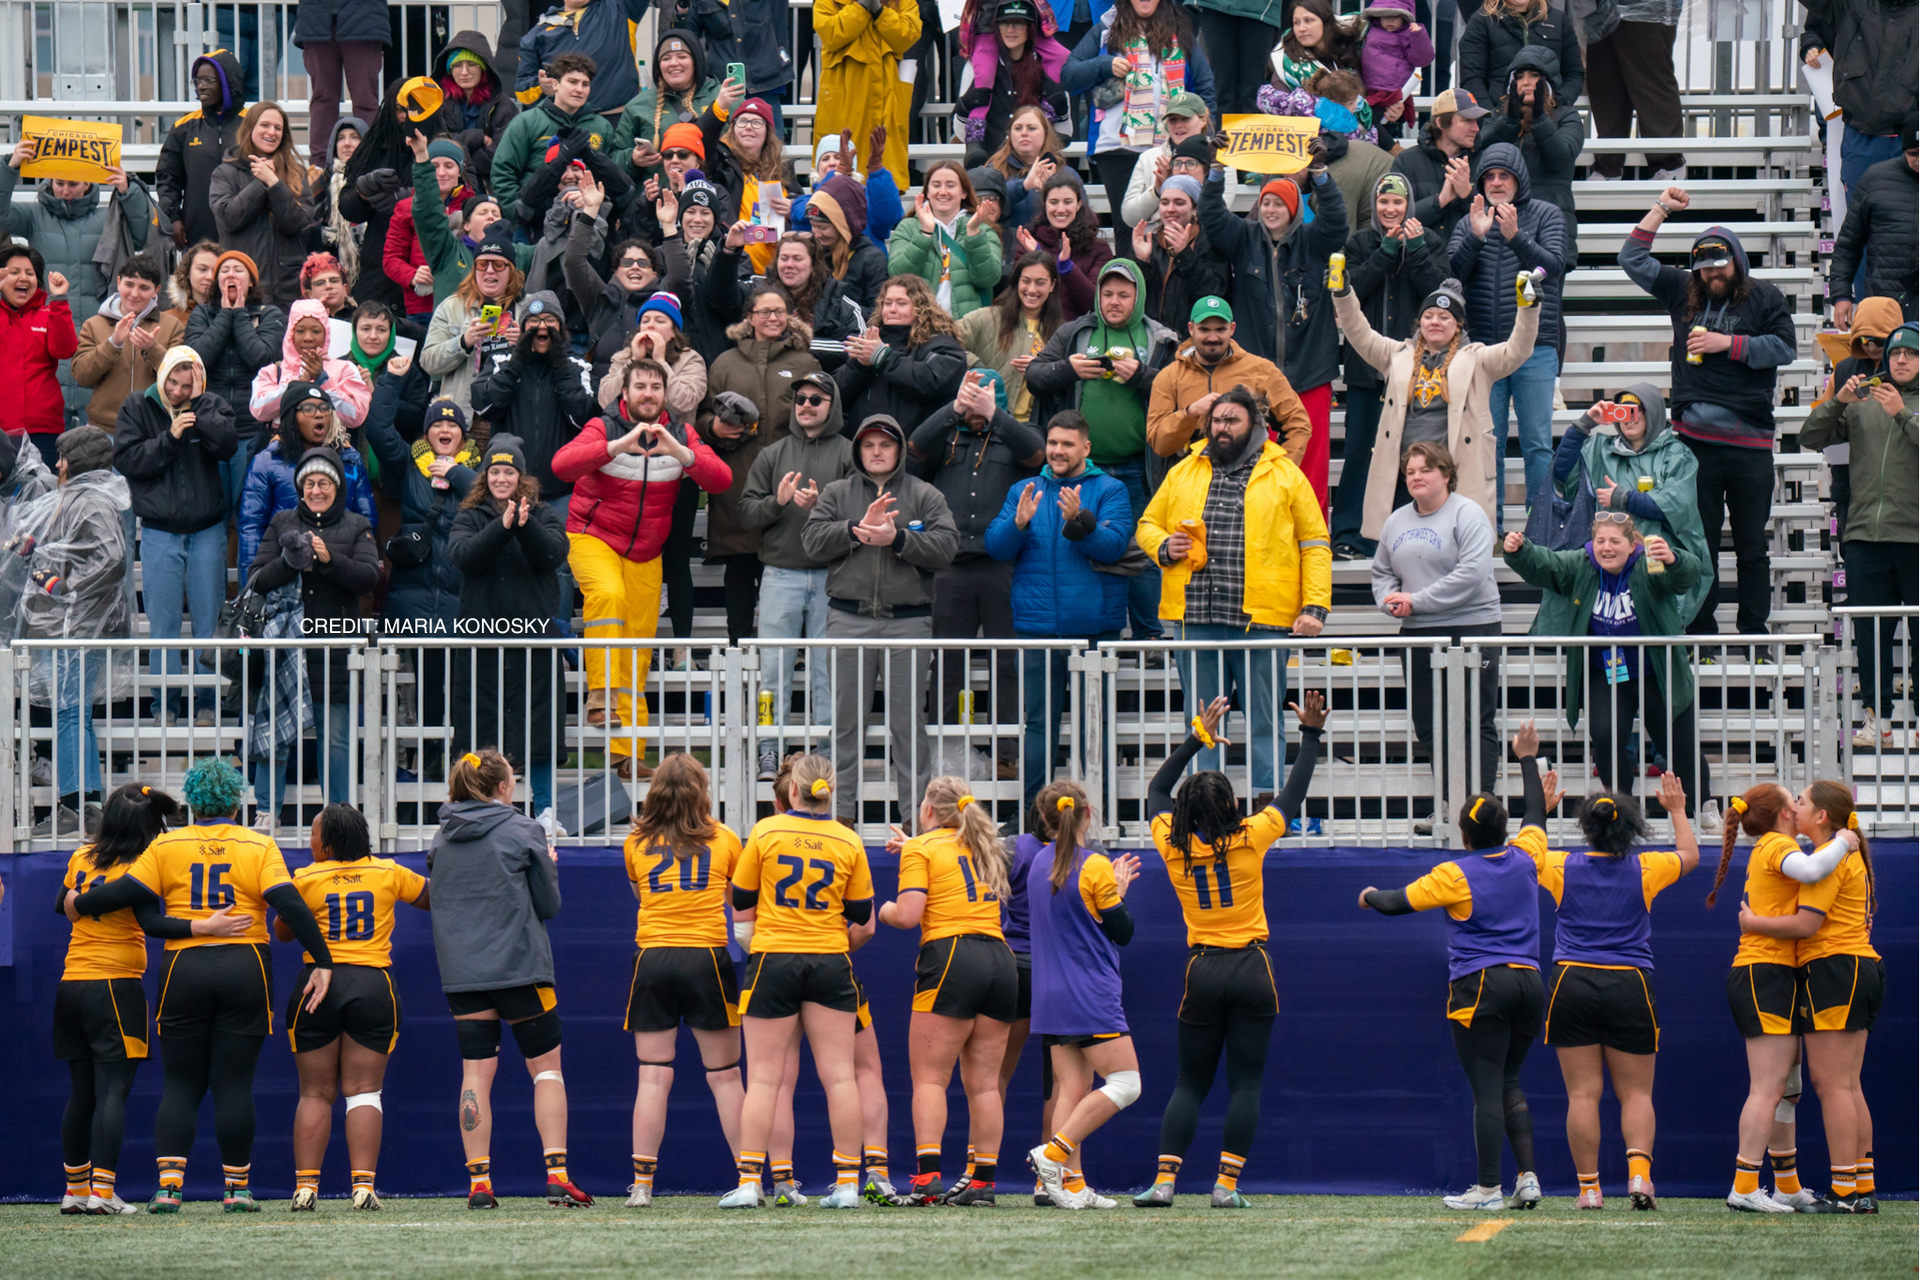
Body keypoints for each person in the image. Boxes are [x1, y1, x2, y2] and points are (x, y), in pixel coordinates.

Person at [68, 756, 332, 1213]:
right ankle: (237, 1190)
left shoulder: (167, 846)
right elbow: (287, 901)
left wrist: (79, 900)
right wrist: (322, 960)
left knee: (181, 1083)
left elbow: (125, 894)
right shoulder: (258, 844)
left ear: (192, 802)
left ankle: (169, 1188)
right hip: (244, 963)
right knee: (233, 1084)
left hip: (183, 968)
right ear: (235, 801)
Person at [1134, 690, 1325, 1208]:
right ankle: (1226, 1186)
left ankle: (1165, 1183)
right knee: (1246, 1084)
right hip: (1252, 965)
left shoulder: (1170, 846)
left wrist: (1197, 737)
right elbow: (1293, 792)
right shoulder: (1252, 837)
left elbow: (1155, 790)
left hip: (1204, 967)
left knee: (1190, 1083)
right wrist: (1309, 733)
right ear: (1233, 806)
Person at [1359, 723, 1551, 1211]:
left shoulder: (1456, 874)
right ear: (1504, 832)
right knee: (1509, 1082)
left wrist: (1367, 895)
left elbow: (1395, 902)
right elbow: (1537, 816)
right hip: (1530, 982)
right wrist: (1527, 759)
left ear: (1464, 835)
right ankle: (1527, 1178)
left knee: (1486, 1086)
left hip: (1482, 984)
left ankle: (1488, 1188)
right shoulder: (1527, 857)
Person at [55, 784, 251, 1214]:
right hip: (115, 983)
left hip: (72, 983)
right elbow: (153, 922)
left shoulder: (80, 857)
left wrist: (76, 901)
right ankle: (102, 1194)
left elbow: (64, 903)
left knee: (81, 1094)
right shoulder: (142, 863)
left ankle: (74, 1190)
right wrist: (204, 928)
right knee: (111, 1095)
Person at [1136, 386, 1330, 802]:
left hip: (1264, 619)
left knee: (1265, 719)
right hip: (1196, 616)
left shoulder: (1286, 473)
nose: (1221, 428)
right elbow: (1147, 524)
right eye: (1216, 420)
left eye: (1232, 421)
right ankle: (1208, 806)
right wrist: (1165, 547)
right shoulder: (1184, 470)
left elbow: (1314, 542)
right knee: (1203, 722)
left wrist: (1315, 607)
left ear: (1256, 426)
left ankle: (1267, 806)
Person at [1619, 190, 1798, 637]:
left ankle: (1754, 633)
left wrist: (1729, 345)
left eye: (1720, 263)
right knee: (1699, 545)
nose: (1712, 272)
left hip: (1750, 443)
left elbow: (1785, 348)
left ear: (1737, 259)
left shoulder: (1765, 297)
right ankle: (1702, 630)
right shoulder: (1684, 289)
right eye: (1705, 265)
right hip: (1693, 444)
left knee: (1752, 546)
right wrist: (1660, 209)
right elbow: (1631, 258)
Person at [554, 358, 731, 776]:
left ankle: (627, 756)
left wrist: (682, 453)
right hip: (591, 535)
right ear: (625, 394)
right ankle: (599, 698)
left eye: (656, 386)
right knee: (608, 596)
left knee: (636, 653)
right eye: (641, 386)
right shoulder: (604, 425)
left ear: (665, 394)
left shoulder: (682, 432)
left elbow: (721, 480)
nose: (648, 393)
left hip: (645, 552)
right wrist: (618, 445)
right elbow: (561, 465)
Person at [429, 747, 590, 1208]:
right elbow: (550, 906)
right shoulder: (524, 830)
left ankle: (480, 1183)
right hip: (521, 968)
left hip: (464, 973)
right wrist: (549, 865)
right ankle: (556, 1175)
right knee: (546, 1072)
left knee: (475, 1075)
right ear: (503, 787)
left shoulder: (442, 838)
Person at [1533, 777, 1699, 1210]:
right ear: (1629, 827)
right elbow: (1691, 855)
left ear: (1587, 829)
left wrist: (1543, 811)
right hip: (1629, 983)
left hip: (1572, 983)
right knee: (1637, 1094)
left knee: (1582, 1094)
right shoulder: (1646, 868)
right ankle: (1640, 1180)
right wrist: (1678, 809)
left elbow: (1524, 854)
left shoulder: (1560, 865)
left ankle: (1589, 1190)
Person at [721, 754, 877, 1209]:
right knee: (840, 1077)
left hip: (774, 957)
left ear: (792, 791)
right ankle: (848, 1182)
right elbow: (863, 915)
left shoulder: (767, 832)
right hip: (829, 959)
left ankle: (751, 1182)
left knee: (765, 1078)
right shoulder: (847, 840)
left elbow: (743, 902)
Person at [1734, 781, 1883, 1213]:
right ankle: (1861, 1185)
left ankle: (1844, 1190)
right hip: (1854, 967)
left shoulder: (1827, 856)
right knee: (1846, 1085)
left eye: (1802, 801)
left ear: (1820, 816)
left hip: (1836, 967)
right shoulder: (1832, 851)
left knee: (1831, 1084)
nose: (1795, 806)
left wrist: (1753, 922)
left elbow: (1804, 926)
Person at [802, 414, 959, 824]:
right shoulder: (837, 493)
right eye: (869, 445)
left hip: (908, 623)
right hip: (848, 619)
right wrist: (855, 529)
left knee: (909, 727)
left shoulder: (925, 494)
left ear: (899, 450)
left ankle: (916, 817)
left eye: (884, 445)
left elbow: (946, 547)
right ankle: (838, 816)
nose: (876, 452)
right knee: (844, 727)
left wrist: (899, 538)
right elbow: (812, 541)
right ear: (858, 449)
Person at [1502, 515, 1713, 818]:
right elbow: (1548, 565)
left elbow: (1685, 576)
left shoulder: (1648, 563)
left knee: (1680, 744)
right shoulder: (1582, 564)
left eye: (1615, 541)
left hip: (1658, 671)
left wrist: (1674, 559)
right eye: (1600, 541)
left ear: (1631, 545)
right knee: (1604, 735)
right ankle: (1622, 810)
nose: (1606, 548)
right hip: (1608, 671)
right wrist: (1520, 550)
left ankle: (1703, 806)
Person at [876, 776, 1020, 1204]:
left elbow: (907, 915)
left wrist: (881, 910)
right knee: (985, 1084)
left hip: (952, 956)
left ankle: (926, 1180)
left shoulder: (922, 848)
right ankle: (983, 1182)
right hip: (1000, 959)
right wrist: (914, 849)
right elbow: (951, 866)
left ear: (927, 811)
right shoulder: (986, 845)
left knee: (930, 1079)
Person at [278, 804, 429, 1211]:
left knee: (314, 1092)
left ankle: (306, 1188)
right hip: (372, 984)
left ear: (327, 844)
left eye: (312, 834)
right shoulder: (389, 872)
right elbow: (434, 898)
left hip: (317, 984)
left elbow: (283, 933)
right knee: (364, 1092)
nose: (309, 842)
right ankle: (363, 1188)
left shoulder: (306, 877)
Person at [1704, 783, 1844, 1213]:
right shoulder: (1776, 844)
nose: (1801, 806)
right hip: (1764, 972)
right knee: (1767, 1088)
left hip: (1776, 973)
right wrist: (1844, 841)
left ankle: (1786, 1184)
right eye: (1796, 801)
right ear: (1784, 812)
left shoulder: (1772, 843)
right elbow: (1811, 871)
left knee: (1787, 1090)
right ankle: (1744, 1185)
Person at [1026, 258, 1180, 641]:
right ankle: (1094, 634)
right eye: (1107, 293)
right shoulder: (1074, 333)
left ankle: (1150, 637)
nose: (1114, 301)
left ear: (1137, 297)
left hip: (1139, 467)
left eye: (1123, 295)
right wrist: (1069, 369)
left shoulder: (1160, 338)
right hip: (1080, 471)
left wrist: (1143, 377)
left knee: (1143, 551)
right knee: (1080, 547)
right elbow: (1034, 377)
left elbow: (1183, 392)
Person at [986, 410, 1134, 810]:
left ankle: (1095, 812)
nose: (1058, 451)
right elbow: (996, 548)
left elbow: (1113, 547)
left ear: (1086, 447)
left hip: (1094, 630)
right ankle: (1035, 813)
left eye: (1067, 444)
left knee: (1094, 728)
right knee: (1038, 726)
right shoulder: (1025, 488)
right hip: (1036, 628)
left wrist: (1080, 520)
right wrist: (1016, 524)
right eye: (1053, 443)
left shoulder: (1110, 489)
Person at [620, 754, 747, 1206]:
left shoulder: (635, 841)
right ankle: (749, 1179)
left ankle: (641, 1185)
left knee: (653, 1075)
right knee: (726, 1076)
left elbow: (640, 894)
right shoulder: (726, 839)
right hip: (706, 956)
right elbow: (741, 902)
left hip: (653, 956)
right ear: (702, 791)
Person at [908, 370, 1045, 779]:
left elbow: (1036, 452)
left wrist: (996, 414)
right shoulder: (947, 434)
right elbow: (914, 446)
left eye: (983, 398)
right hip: (950, 564)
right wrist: (955, 407)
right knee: (949, 662)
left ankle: (1005, 752)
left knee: (1007, 660)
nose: (975, 410)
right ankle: (947, 751)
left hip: (1002, 563)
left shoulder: (1014, 435)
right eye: (971, 399)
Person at [1333, 272, 1540, 542]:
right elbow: (1358, 333)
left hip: (1455, 479)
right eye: (1429, 316)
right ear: (1419, 322)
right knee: (1402, 552)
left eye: (1445, 317)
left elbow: (1518, 349)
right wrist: (1343, 295)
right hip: (1405, 479)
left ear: (1458, 325)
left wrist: (1528, 307)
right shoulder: (1396, 355)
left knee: (1454, 553)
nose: (1436, 322)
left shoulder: (1478, 360)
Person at [1198, 147, 1348, 508]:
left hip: (1311, 370)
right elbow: (1212, 215)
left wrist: (1321, 173)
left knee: (1310, 462)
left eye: (1279, 203)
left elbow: (1337, 220)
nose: (1270, 210)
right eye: (1265, 202)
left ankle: (1312, 542)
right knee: (1256, 460)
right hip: (1257, 375)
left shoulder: (1314, 241)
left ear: (1294, 209)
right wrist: (1217, 170)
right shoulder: (1243, 238)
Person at [1801, 323, 1918, 751]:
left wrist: (1901, 413)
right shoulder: (1864, 399)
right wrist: (1838, 401)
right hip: (1866, 534)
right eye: (1895, 353)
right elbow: (1809, 437)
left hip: (1917, 537)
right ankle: (1877, 719)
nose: (1901, 360)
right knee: (1871, 633)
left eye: (1911, 354)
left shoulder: (1903, 404)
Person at [246, 445, 381, 812]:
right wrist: (291, 561)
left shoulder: (357, 525)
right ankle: (265, 812)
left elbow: (368, 578)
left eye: (324, 483)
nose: (316, 490)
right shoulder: (282, 522)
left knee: (335, 741)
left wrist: (329, 559)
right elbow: (256, 579)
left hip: (335, 650)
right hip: (286, 647)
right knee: (273, 734)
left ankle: (337, 817)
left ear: (337, 487)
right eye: (309, 483)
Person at [1025, 783, 1141, 1209]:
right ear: (1088, 812)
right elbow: (1122, 931)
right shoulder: (1094, 865)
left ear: (1045, 819)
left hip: (1051, 995)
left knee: (1071, 1088)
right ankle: (1052, 1157)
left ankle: (1070, 1185)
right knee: (1127, 1084)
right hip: (1089, 992)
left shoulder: (1038, 863)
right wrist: (1119, 891)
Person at [447, 437, 572, 829]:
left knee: (540, 729)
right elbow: (463, 558)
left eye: (510, 472)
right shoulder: (469, 515)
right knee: (483, 729)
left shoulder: (543, 513)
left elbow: (554, 553)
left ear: (521, 477)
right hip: (483, 641)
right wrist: (502, 527)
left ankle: (546, 809)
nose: (502, 478)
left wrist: (524, 523)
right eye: (496, 471)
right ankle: (482, 805)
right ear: (486, 476)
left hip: (534, 640)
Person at [1370, 444, 1503, 805]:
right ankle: (1449, 805)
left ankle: (1482, 807)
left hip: (1473, 627)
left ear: (1446, 475)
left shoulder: (1468, 513)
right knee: (1429, 724)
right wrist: (1389, 601)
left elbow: (1473, 574)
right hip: (1417, 632)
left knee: (1474, 720)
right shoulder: (1396, 520)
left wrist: (1417, 600)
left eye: (1425, 470)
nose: (1416, 477)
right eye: (1410, 471)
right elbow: (1382, 571)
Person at [113, 346, 238, 728]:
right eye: (174, 382)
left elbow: (228, 445)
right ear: (162, 376)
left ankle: (206, 700)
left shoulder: (211, 404)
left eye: (188, 384)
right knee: (164, 621)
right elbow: (129, 459)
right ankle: (163, 701)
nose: (179, 391)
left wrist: (199, 415)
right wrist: (170, 436)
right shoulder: (137, 406)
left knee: (208, 618)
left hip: (206, 529)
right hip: (159, 530)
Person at [739, 373, 856, 776]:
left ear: (832, 405)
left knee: (829, 671)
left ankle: (824, 753)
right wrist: (779, 501)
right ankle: (769, 748)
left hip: (832, 578)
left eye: (816, 400)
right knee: (772, 669)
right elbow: (747, 512)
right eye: (801, 399)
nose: (806, 405)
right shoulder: (773, 453)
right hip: (780, 575)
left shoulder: (849, 452)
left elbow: (864, 514)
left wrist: (825, 507)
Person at [21, 427, 133, 836]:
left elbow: (113, 557)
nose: (57, 464)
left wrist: (69, 588)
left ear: (78, 461)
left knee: (71, 713)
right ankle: (85, 803)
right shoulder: (80, 498)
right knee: (74, 713)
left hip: (81, 625)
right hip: (75, 624)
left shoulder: (92, 501)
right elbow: (70, 553)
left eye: (64, 457)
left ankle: (76, 803)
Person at [1331, 173, 1449, 557]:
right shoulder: (1359, 243)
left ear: (1409, 204)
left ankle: (1403, 533)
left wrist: (1414, 249)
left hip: (1413, 372)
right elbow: (1352, 289)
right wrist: (1384, 251)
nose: (1390, 209)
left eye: (1398, 202)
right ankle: (1350, 533)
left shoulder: (1428, 241)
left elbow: (1441, 295)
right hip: (1367, 368)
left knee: (1409, 456)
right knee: (1360, 450)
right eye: (1384, 202)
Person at [1448, 143, 1567, 515]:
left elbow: (1554, 267)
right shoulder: (1471, 218)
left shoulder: (1547, 213)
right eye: (1490, 176)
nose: (1497, 182)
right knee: (1488, 442)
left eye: (1505, 176)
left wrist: (1516, 236)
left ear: (1519, 180)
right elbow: (1453, 273)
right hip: (1484, 349)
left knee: (1536, 443)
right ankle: (1489, 527)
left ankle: (1540, 527)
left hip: (1535, 345)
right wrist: (1477, 235)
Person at [0, 139, 153, 421]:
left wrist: (127, 191)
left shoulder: (105, 218)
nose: (65, 190)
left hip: (95, 332)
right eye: (59, 183)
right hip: (48, 332)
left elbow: (143, 233)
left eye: (73, 184)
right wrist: (9, 168)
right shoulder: (34, 216)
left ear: (88, 185)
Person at [1552, 384, 1714, 626]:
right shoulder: (1599, 450)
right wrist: (1584, 424)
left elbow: (1674, 506)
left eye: (1636, 410)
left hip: (1657, 566)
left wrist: (1623, 499)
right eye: (1623, 410)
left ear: (1654, 412)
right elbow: (1562, 473)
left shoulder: (1677, 454)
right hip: (1609, 564)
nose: (1629, 417)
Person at [237, 381, 378, 611]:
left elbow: (367, 520)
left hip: (339, 582)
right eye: (309, 409)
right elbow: (252, 529)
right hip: (283, 582)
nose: (319, 414)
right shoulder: (266, 461)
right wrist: (252, 591)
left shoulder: (350, 459)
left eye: (324, 408)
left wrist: (341, 560)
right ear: (291, 416)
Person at [1146, 296, 1312, 472]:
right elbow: (1159, 444)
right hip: (1189, 483)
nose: (1212, 337)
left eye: (1220, 329)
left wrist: (1280, 473)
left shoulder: (1262, 370)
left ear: (1232, 329)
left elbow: (1299, 425)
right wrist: (1189, 413)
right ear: (1191, 329)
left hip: (1250, 482)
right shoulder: (1169, 377)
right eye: (1204, 329)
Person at [184, 251, 286, 503]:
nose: (231, 274)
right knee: (214, 508)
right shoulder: (202, 314)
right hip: (209, 425)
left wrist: (239, 314)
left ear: (251, 281)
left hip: (251, 429)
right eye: (224, 270)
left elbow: (260, 358)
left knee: (248, 507)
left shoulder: (269, 314)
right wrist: (225, 315)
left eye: (238, 270)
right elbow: (198, 358)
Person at [472, 290, 597, 494]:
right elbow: (484, 408)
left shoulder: (578, 366)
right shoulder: (499, 361)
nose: (542, 327)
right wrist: (515, 365)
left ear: (560, 327)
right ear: (522, 328)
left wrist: (561, 368)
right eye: (534, 321)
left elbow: (584, 417)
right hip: (510, 490)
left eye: (549, 320)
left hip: (563, 491)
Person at [1799, 1, 1916, 198]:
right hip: (1859, 130)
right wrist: (1810, 44)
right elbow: (1816, 22)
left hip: (1908, 138)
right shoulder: (1854, 4)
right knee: (1860, 215)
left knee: (1903, 218)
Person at [210, 102, 317, 310]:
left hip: (286, 288)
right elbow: (229, 218)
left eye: (278, 128)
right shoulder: (224, 172)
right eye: (265, 125)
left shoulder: (297, 173)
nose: (272, 132)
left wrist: (275, 184)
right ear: (250, 128)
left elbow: (297, 223)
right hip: (242, 286)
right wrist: (260, 183)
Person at [1474, 48, 1584, 244]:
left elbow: (1561, 159)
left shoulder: (1567, 116)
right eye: (1519, 77)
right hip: (1501, 226)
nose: (1525, 82)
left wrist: (1540, 119)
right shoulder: (1499, 116)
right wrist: (1509, 121)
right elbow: (1481, 151)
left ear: (1549, 81)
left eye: (1534, 76)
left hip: (1550, 226)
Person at [836, 275, 970, 433]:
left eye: (901, 303)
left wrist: (882, 357)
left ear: (921, 307)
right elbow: (836, 395)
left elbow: (932, 382)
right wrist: (860, 367)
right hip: (865, 445)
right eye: (887, 303)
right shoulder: (870, 345)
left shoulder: (942, 344)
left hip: (915, 449)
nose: (892, 309)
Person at [813, 0, 922, 189]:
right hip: (844, 94)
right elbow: (831, 34)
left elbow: (908, 34)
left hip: (885, 95)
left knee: (884, 177)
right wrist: (862, 6)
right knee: (838, 183)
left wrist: (879, 10)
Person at [492, 53, 615, 221]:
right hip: (535, 223)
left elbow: (611, 175)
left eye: (585, 84)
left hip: (588, 221)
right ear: (555, 84)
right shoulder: (527, 122)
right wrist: (518, 214)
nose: (579, 89)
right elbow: (503, 172)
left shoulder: (602, 127)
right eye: (572, 82)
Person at [421, 225, 528, 415]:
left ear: (511, 271)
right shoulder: (451, 307)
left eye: (498, 264)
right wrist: (464, 342)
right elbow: (428, 362)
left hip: (514, 414)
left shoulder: (528, 309)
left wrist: (526, 344)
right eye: (482, 264)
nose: (489, 271)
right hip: (464, 416)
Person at [71, 257, 185, 431]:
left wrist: (152, 350)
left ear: (156, 290)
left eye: (144, 288)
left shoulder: (172, 325)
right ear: (118, 283)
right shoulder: (94, 325)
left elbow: (182, 376)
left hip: (154, 428)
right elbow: (81, 375)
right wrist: (112, 344)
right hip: (105, 429)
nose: (134, 294)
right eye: (129, 285)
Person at [1581, 0, 1685, 183]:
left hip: (1646, 8)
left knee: (1649, 81)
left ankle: (1668, 163)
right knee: (1605, 84)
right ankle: (1608, 165)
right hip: (1600, 8)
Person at [955, 0, 1070, 160]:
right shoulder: (972, 68)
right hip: (991, 163)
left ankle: (1048, 128)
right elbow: (959, 132)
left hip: (1036, 164)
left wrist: (1061, 108)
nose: (1010, 29)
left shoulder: (1044, 62)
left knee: (1063, 57)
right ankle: (975, 138)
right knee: (983, 81)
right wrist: (964, 107)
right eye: (1005, 23)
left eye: (1018, 23)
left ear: (1029, 28)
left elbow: (1068, 131)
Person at [156, 51, 249, 250]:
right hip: (198, 236)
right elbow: (168, 177)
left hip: (247, 233)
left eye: (208, 80)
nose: (201, 86)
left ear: (227, 82)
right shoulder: (183, 127)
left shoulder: (254, 123)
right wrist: (172, 218)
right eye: (197, 81)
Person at [889, 163, 1003, 320]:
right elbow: (897, 275)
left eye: (951, 185)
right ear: (927, 192)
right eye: (936, 185)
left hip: (967, 328)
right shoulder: (908, 227)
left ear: (964, 192)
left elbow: (988, 278)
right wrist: (924, 234)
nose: (943, 192)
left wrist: (974, 234)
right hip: (920, 327)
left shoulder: (984, 229)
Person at [958, 251, 1063, 422]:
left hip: (1034, 428)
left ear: (1052, 286)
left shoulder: (1061, 332)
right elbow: (944, 339)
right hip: (988, 425)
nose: (1032, 289)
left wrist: (1041, 370)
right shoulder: (987, 318)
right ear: (1016, 282)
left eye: (1040, 283)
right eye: (1026, 281)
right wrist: (977, 366)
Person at [385, 140, 480, 323]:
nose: (441, 172)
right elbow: (391, 257)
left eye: (449, 166)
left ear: (460, 171)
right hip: (422, 307)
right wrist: (412, 275)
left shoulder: (475, 208)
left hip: (467, 304)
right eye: (434, 166)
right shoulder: (406, 208)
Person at [696, 94, 790, 277]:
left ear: (768, 132)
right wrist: (719, 107)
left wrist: (792, 210)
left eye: (757, 122)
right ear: (732, 128)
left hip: (775, 274)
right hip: (736, 268)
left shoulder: (783, 173)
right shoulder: (721, 165)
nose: (748, 127)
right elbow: (701, 140)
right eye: (742, 121)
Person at [249, 298, 374, 436]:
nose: (308, 338)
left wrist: (323, 381)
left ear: (326, 334)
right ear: (291, 334)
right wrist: (299, 384)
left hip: (330, 454)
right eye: (300, 331)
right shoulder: (272, 372)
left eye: (315, 331)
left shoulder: (345, 369)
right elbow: (258, 410)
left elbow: (356, 415)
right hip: (283, 453)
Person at [1828, 136, 1917, 328]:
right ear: (1904, 150)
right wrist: (1841, 295)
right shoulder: (1875, 179)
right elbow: (1848, 245)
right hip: (1884, 308)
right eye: (1914, 153)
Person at [1129, 176, 1231, 336]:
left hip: (1193, 341)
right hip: (1151, 340)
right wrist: (1141, 262)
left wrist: (1185, 254)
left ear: (1194, 209)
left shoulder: (1211, 244)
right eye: (1164, 202)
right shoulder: (1149, 243)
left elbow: (1214, 294)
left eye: (1179, 202)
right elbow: (1130, 300)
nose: (1170, 209)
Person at [1116, 94, 1230, 236]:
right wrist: (1157, 191)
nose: (1178, 125)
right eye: (1172, 120)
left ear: (1203, 120)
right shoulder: (1149, 157)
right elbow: (1130, 218)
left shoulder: (1221, 158)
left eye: (1185, 118)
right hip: (1156, 246)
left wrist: (1187, 183)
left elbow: (1221, 211)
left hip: (1203, 243)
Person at [515, 0, 651, 116]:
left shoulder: (620, 8)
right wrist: (541, 87)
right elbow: (521, 91)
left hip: (618, 121)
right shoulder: (536, 34)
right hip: (564, 126)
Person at [612, 28, 724, 168]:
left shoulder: (722, 97)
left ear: (696, 62)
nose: (673, 63)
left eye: (682, 56)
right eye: (666, 58)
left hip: (712, 188)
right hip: (655, 188)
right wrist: (632, 160)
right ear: (658, 66)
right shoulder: (638, 106)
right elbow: (614, 160)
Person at [0, 248, 75, 455]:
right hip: (2, 430)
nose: (23, 278)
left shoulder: (50, 313)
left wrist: (59, 299)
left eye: (30, 273)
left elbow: (65, 349)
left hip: (44, 429)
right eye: (14, 272)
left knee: (44, 487)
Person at [1391, 87, 1488, 245]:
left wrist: (1467, 194)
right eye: (1467, 120)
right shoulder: (1407, 161)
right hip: (1418, 262)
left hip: (1471, 262)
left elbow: (1496, 221)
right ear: (1441, 123)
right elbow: (1394, 220)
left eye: (1476, 120)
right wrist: (1439, 201)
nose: (1476, 128)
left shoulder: (1485, 161)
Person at [293, 0, 389, 158]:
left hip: (363, 17)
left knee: (363, 100)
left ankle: (370, 162)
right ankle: (320, 168)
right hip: (318, 18)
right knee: (324, 99)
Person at [1457, 0, 1585, 114]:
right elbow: (1472, 78)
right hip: (1500, 120)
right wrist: (1491, 117)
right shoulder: (1482, 21)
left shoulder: (1558, 20)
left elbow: (1574, 74)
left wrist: (1557, 104)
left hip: (1551, 119)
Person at [1016, 173, 1113, 322]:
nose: (1060, 209)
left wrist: (1068, 269)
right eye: (1054, 202)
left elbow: (1096, 305)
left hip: (1078, 333)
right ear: (1044, 204)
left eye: (1068, 202)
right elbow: (1020, 299)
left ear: (1078, 204)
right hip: (1035, 332)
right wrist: (1039, 256)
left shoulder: (1099, 249)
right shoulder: (1028, 244)